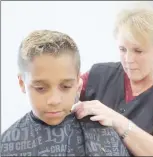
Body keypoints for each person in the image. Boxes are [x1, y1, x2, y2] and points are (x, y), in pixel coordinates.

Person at [71, 6, 153, 156]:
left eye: (138, 51)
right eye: (122, 49)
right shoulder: (98, 74)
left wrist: (117, 121)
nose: (128, 59)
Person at [0, 30, 130, 156]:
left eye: (66, 86)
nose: (55, 100)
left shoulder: (103, 133)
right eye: (40, 88)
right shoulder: (7, 145)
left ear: (78, 84)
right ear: (22, 83)